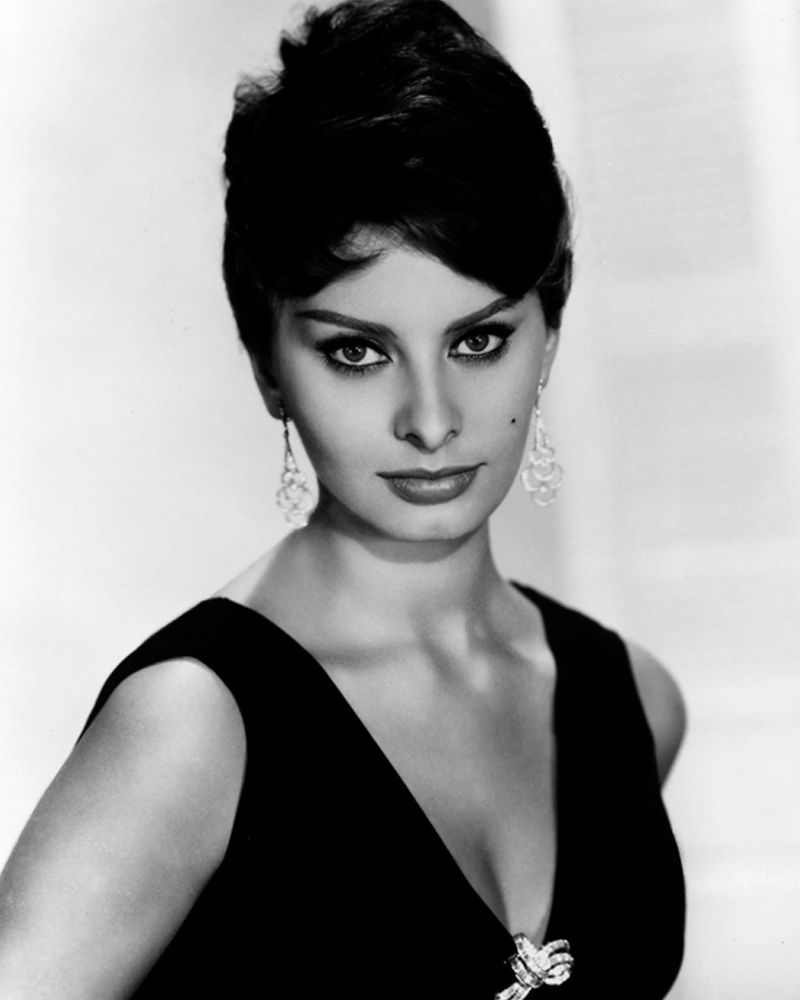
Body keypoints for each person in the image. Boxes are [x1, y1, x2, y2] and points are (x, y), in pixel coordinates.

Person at [0, 1, 686, 997]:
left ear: (549, 329)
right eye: (357, 352)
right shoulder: (194, 726)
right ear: (266, 361)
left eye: (479, 340)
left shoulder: (633, 703)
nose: (430, 419)